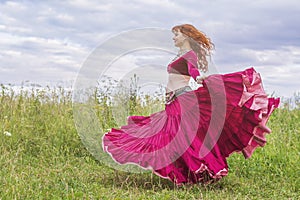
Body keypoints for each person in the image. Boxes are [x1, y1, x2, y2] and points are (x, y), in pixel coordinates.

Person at [102, 24, 280, 185]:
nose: (174, 38)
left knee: (179, 137)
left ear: (186, 36)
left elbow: (193, 70)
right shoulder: (180, 55)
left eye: (176, 34)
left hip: (183, 100)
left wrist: (200, 78)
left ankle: (199, 172)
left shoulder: (189, 55)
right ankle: (193, 174)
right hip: (173, 102)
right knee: (175, 136)